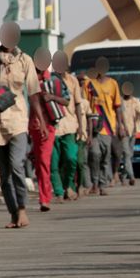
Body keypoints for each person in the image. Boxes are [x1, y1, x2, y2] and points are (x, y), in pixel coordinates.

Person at [0, 22, 40, 229]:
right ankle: (13, 213)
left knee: (16, 165)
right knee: (4, 173)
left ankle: (22, 208)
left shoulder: (25, 60)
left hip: (19, 119)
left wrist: (37, 118)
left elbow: (33, 92)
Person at [84, 57, 125, 195]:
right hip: (93, 126)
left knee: (105, 157)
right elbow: (84, 105)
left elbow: (118, 107)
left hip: (108, 127)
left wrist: (120, 125)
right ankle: (94, 183)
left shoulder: (113, 84)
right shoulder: (89, 84)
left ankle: (102, 185)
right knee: (95, 154)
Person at [31, 48, 64, 212]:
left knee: (44, 161)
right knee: (38, 163)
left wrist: (52, 97)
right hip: (31, 127)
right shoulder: (29, 79)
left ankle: (45, 198)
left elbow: (65, 100)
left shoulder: (53, 80)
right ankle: (44, 193)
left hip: (48, 127)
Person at [50, 51, 84, 202]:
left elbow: (77, 104)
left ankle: (68, 185)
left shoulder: (73, 81)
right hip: (53, 126)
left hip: (70, 125)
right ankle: (58, 191)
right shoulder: (49, 79)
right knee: (54, 161)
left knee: (71, 158)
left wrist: (81, 126)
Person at [119, 81, 140, 186]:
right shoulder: (120, 101)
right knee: (127, 154)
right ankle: (132, 176)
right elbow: (118, 116)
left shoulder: (136, 101)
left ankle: (123, 175)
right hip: (124, 132)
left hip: (133, 131)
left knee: (130, 155)